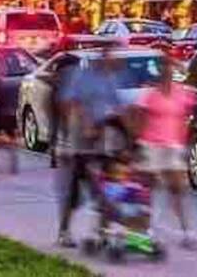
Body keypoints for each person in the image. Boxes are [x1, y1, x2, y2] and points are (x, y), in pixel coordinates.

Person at [56, 46, 122, 247]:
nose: (115, 63)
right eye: (111, 59)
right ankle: (64, 232)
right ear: (103, 58)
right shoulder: (83, 77)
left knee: (106, 189)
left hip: (101, 142)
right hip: (81, 144)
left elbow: (116, 107)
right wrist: (85, 126)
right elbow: (72, 104)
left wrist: (126, 135)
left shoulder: (110, 79)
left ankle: (102, 233)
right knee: (75, 192)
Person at [134, 55, 196, 248]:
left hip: (173, 145)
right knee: (150, 189)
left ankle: (187, 233)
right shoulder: (151, 95)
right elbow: (140, 119)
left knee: (178, 189)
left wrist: (184, 142)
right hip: (151, 145)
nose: (167, 73)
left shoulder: (182, 93)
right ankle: (148, 231)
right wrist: (138, 145)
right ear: (159, 72)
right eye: (164, 69)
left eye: (169, 69)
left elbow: (187, 116)